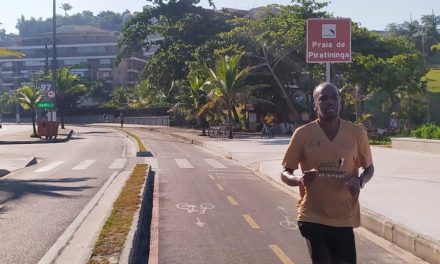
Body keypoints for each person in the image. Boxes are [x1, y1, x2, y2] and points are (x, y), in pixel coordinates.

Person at [281, 82, 374, 264]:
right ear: (315, 105)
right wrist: (300, 179)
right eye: (323, 98)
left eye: (334, 97)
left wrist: (360, 181)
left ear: (340, 103)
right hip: (312, 214)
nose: (330, 101)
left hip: (344, 216)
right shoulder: (303, 134)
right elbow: (285, 172)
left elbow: (369, 168)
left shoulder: (356, 133)